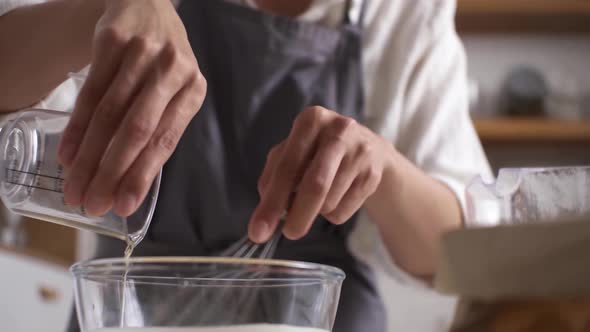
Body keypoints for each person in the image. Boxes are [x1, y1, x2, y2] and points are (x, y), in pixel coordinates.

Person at [0, 0, 491, 331]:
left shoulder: (404, 13)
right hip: (131, 309)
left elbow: (458, 255)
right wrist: (104, 8)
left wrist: (383, 171)